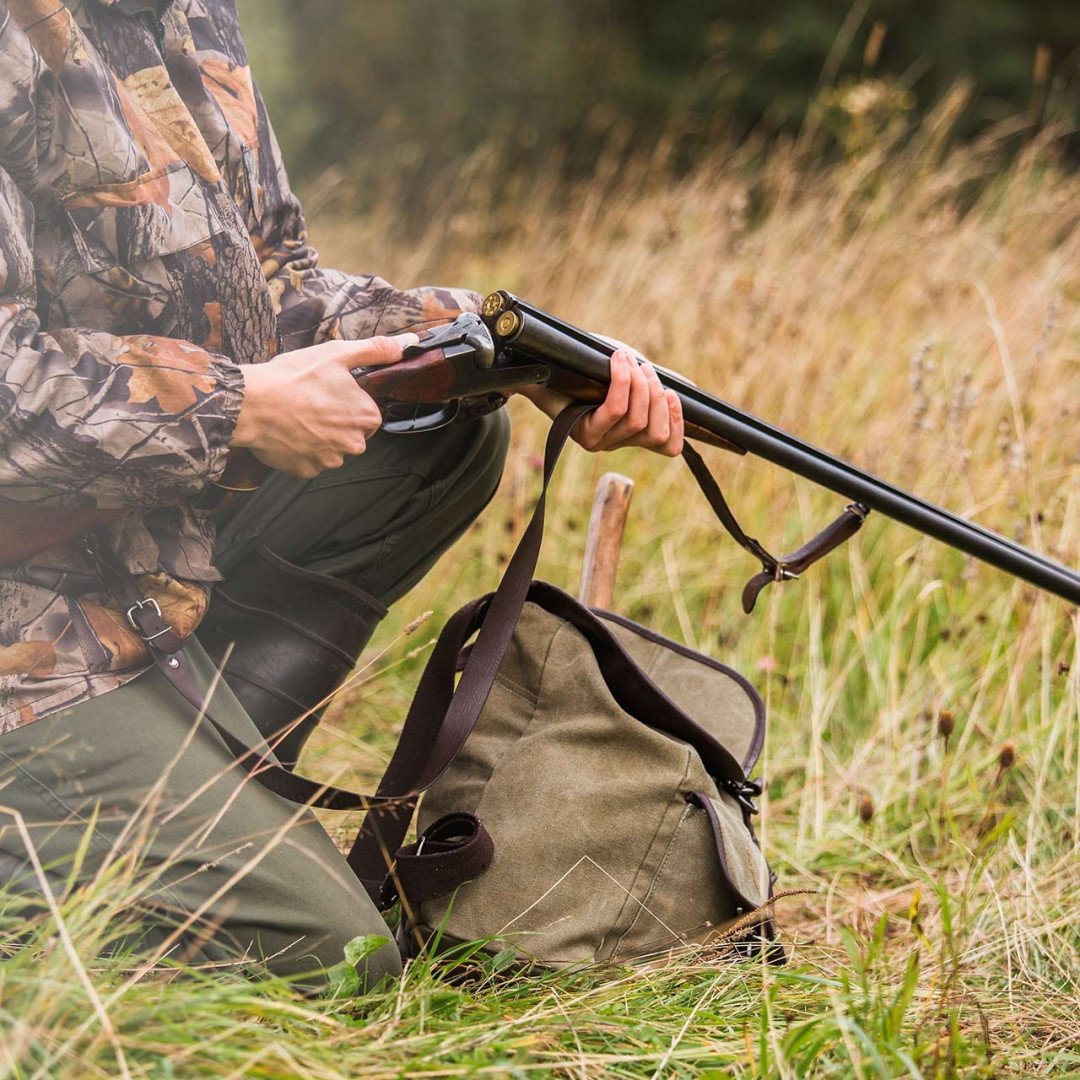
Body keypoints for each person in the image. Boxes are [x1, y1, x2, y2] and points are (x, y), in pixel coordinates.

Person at [0, 0, 684, 990]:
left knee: (440, 431)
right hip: (22, 625)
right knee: (338, 961)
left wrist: (517, 351)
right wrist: (236, 408)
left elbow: (280, 286)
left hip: (127, 569)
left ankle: (191, 787)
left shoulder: (191, 15)